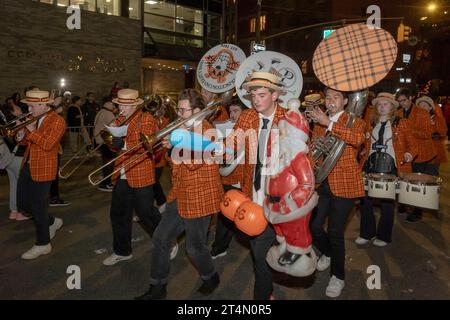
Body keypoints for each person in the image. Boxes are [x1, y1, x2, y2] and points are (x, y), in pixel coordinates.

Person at [136, 89, 223, 300]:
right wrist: (168, 148)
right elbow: (174, 165)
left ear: (197, 111)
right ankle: (158, 287)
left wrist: (175, 144)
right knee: (161, 237)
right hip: (180, 193)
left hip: (200, 196)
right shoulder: (183, 129)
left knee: (194, 248)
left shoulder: (207, 132)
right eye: (179, 109)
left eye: (184, 110)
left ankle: (210, 276)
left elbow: (192, 164)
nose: (179, 114)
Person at [224, 71, 287, 300]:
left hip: (279, 200)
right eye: (253, 95)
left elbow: (304, 160)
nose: (256, 100)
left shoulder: (289, 118)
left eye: (261, 95)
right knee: (259, 252)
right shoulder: (248, 117)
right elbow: (232, 144)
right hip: (253, 196)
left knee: (264, 255)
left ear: (276, 95)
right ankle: (266, 291)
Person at [309, 87, 366, 298]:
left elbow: (358, 139)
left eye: (336, 97)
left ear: (344, 102)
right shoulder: (318, 121)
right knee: (314, 226)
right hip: (322, 183)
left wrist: (329, 123)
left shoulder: (354, 120)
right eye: (328, 97)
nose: (331, 100)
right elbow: (313, 148)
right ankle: (330, 253)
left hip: (345, 184)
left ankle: (338, 276)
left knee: (335, 232)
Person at [102, 89, 163, 266]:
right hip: (122, 172)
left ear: (135, 105)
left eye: (125, 105)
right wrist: (113, 143)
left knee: (146, 213)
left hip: (140, 170)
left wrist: (124, 143)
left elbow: (145, 145)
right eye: (119, 104)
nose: (121, 108)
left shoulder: (147, 119)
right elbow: (116, 146)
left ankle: (167, 240)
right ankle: (122, 251)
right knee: (118, 213)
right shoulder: (119, 119)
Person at [356, 92, 416, 247]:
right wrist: (363, 149)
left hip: (391, 167)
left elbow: (413, 145)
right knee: (365, 201)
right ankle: (366, 233)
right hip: (371, 165)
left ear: (392, 107)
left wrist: (409, 154)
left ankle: (383, 236)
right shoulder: (371, 123)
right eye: (380, 104)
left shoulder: (402, 123)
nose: (382, 107)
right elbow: (365, 142)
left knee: (387, 203)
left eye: (386, 104)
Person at [17, 90, 66, 259]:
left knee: (38, 207)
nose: (29, 109)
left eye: (31, 106)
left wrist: (31, 129)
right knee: (23, 204)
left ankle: (43, 244)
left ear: (43, 105)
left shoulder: (58, 121)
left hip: (44, 168)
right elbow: (24, 142)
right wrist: (22, 133)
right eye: (28, 105)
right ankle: (52, 222)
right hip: (27, 165)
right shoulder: (33, 118)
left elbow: (48, 144)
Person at [210, 98, 246, 259]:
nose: (232, 115)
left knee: (229, 215)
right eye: (231, 111)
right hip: (226, 176)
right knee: (226, 214)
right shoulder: (226, 127)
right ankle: (220, 246)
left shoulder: (246, 128)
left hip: (240, 178)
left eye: (236, 111)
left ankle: (219, 247)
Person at [396, 88, 436, 223]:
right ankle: (403, 204)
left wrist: (408, 131)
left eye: (404, 100)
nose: (402, 103)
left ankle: (417, 211)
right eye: (399, 101)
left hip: (421, 153)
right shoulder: (398, 113)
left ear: (411, 98)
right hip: (404, 152)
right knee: (403, 179)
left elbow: (427, 134)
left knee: (417, 183)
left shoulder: (422, 112)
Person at [0, 106, 29, 221]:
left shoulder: (5, 122)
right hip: (17, 157)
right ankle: (22, 212)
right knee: (22, 186)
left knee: (14, 185)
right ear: (12, 112)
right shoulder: (14, 123)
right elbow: (20, 141)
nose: (20, 109)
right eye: (17, 108)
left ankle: (14, 211)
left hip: (7, 159)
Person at [415, 95, 448, 174]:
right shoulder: (414, 119)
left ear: (430, 108)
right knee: (418, 175)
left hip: (434, 153)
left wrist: (433, 126)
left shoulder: (437, 119)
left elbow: (443, 133)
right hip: (419, 153)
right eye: (420, 106)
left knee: (431, 175)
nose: (422, 107)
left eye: (424, 105)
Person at [93, 101, 118, 192]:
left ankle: (104, 179)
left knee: (105, 161)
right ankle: (106, 183)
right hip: (106, 141)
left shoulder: (99, 112)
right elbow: (115, 128)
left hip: (99, 139)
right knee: (109, 163)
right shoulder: (109, 114)